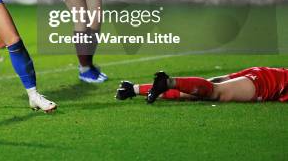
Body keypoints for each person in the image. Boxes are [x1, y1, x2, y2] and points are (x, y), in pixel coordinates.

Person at [115, 67, 288, 103]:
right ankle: (168, 82)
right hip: (269, 83)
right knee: (217, 93)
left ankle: (132, 89)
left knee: (201, 90)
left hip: (266, 73)